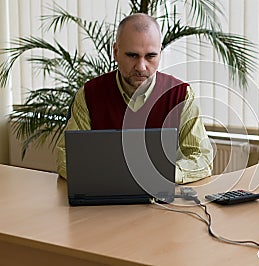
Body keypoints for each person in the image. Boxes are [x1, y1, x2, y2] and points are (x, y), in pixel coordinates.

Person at [56, 13, 213, 184]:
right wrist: (112, 176)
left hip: (162, 200)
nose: (141, 67)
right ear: (116, 52)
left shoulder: (181, 95)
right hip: (104, 198)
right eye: (132, 55)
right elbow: (67, 156)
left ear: (160, 53)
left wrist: (164, 174)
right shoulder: (89, 94)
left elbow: (202, 158)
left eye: (150, 56)